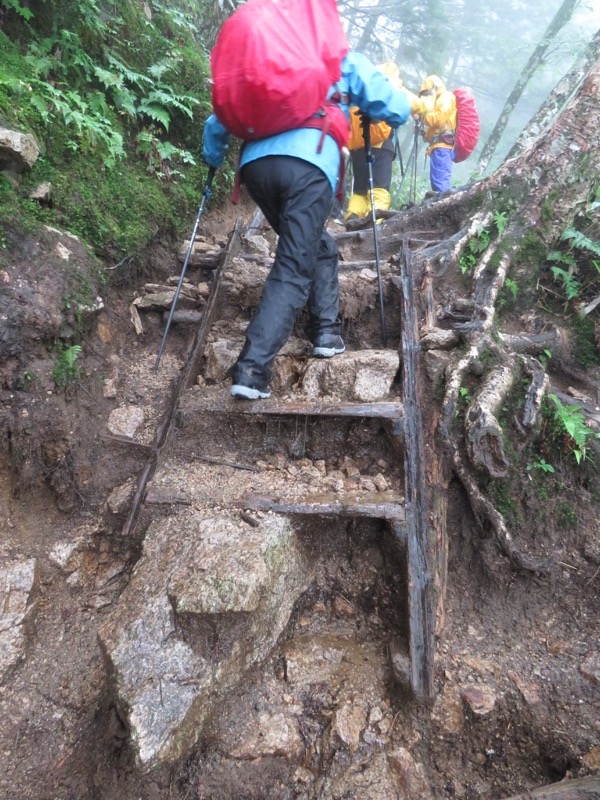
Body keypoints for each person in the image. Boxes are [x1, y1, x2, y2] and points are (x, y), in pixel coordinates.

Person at [203, 52, 411, 400]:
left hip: (257, 167)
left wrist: (213, 157)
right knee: (293, 265)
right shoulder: (338, 57)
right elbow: (394, 106)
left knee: (318, 246)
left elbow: (218, 120)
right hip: (309, 166)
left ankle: (326, 332)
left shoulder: (267, 61)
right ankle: (252, 369)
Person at [344, 62, 403, 228]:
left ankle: (352, 220)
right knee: (379, 190)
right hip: (380, 146)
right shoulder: (392, 83)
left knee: (360, 191)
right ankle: (373, 226)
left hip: (357, 146)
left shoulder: (364, 84)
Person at [412, 74, 457, 193]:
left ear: (433, 89)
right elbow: (436, 130)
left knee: (440, 184)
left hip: (442, 148)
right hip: (438, 147)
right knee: (438, 182)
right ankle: (441, 206)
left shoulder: (446, 97)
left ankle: (443, 208)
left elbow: (438, 119)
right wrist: (423, 133)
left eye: (427, 93)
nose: (426, 97)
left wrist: (421, 114)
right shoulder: (439, 99)